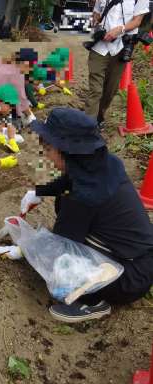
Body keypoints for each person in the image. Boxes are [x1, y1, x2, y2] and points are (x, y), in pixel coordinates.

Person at [20, 108, 153, 322]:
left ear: (66, 152)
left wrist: (26, 247)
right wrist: (40, 192)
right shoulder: (106, 163)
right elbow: (72, 179)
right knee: (71, 215)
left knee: (64, 265)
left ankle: (93, 302)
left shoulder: (82, 197)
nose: (45, 153)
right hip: (143, 260)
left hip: (127, 279)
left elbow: (60, 249)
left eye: (48, 148)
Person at [84, 0, 149, 128]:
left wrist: (120, 29)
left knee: (110, 89)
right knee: (95, 90)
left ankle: (99, 116)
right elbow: (96, 13)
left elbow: (137, 21)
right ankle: (88, 125)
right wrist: (96, 22)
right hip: (99, 46)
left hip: (120, 48)